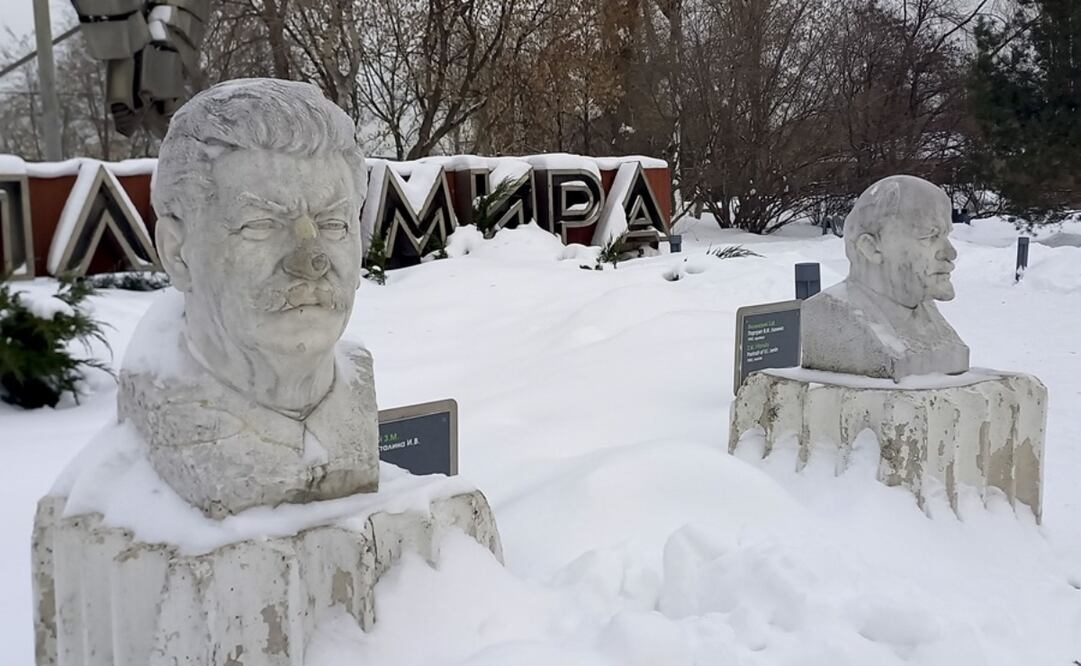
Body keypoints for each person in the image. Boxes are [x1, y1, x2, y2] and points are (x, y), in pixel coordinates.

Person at [118, 79, 379, 519]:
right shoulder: (157, 420)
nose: (310, 260)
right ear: (178, 253)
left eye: (333, 225)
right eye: (260, 225)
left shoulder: (356, 391)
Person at [801, 175, 970, 380]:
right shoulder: (829, 313)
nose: (950, 253)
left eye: (946, 235)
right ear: (871, 248)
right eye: (930, 236)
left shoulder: (929, 316)